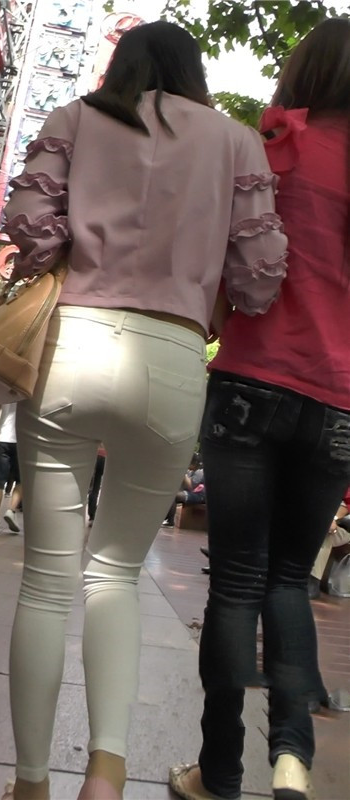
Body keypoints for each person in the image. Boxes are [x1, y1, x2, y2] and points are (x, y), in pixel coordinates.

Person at [0, 20, 287, 800]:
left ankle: (30, 783)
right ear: (194, 71)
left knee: (45, 581)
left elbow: (26, 222)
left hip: (71, 344)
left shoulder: (75, 118)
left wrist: (65, 253)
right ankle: (107, 769)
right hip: (171, 355)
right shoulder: (236, 142)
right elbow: (262, 273)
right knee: (116, 573)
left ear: (121, 64)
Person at [169, 18, 350, 800]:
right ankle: (293, 760)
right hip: (339, 401)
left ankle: (218, 772)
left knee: (236, 583)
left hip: (250, 382)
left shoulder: (273, 149)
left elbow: (221, 258)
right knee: (288, 580)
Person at [0, 404, 22, 534]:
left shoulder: (4, 393)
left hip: (3, 439)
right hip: (21, 441)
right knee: (21, 479)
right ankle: (11, 510)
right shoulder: (29, 394)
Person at [308, 489, 350, 599]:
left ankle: (313, 581)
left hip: (343, 529)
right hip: (321, 519)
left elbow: (346, 503)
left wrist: (332, 518)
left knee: (325, 531)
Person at [163, 453, 205, 526]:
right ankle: (166, 518)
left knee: (174, 496)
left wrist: (183, 473)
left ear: (194, 463)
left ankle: (170, 521)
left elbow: (191, 486)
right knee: (171, 493)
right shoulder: (191, 471)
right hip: (192, 493)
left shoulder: (200, 472)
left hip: (199, 495)